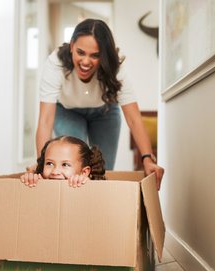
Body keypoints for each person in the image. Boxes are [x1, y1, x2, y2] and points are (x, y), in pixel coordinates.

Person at [33, 18, 164, 189]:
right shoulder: (55, 64)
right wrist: (40, 166)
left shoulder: (115, 68)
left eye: (95, 55)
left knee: (102, 171)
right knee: (73, 167)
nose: (86, 62)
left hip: (105, 112)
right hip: (67, 111)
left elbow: (134, 119)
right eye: (81, 52)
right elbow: (45, 120)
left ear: (104, 55)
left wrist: (147, 158)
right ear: (72, 46)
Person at [21, 135, 105, 187]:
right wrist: (30, 179)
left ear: (84, 172)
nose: (55, 171)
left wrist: (85, 183)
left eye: (65, 164)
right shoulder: (40, 180)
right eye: (49, 163)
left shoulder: (82, 182)